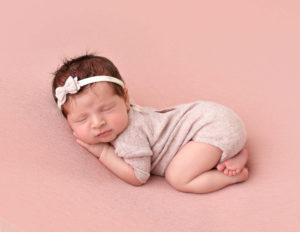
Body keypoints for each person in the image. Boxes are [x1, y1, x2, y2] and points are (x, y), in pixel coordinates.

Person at [52, 54, 249, 194]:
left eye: (106, 109)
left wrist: (103, 152)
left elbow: (138, 177)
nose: (98, 123)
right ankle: (233, 153)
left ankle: (234, 176)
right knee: (187, 160)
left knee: (179, 177)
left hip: (214, 126)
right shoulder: (125, 115)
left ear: (126, 100)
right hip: (213, 118)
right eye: (82, 119)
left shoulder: (130, 134)